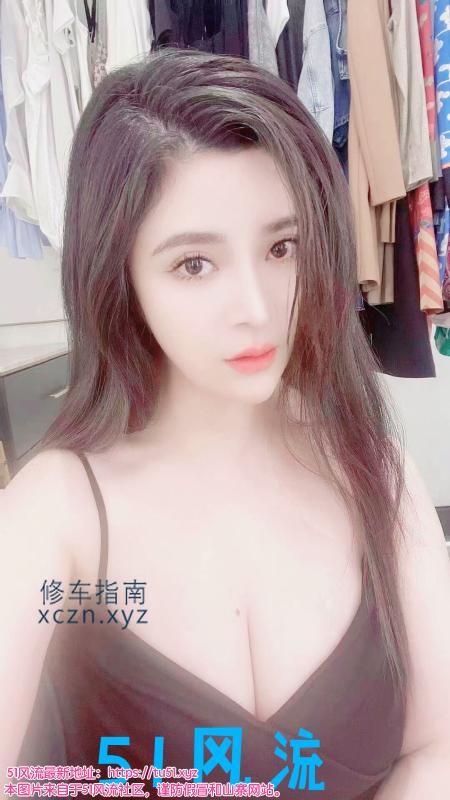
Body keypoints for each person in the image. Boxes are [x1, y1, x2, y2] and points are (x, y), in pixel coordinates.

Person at [1, 47, 450, 800]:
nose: (257, 306)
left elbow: (438, 747)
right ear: (120, 276)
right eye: (194, 264)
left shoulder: (374, 471)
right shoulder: (58, 518)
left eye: (281, 247)